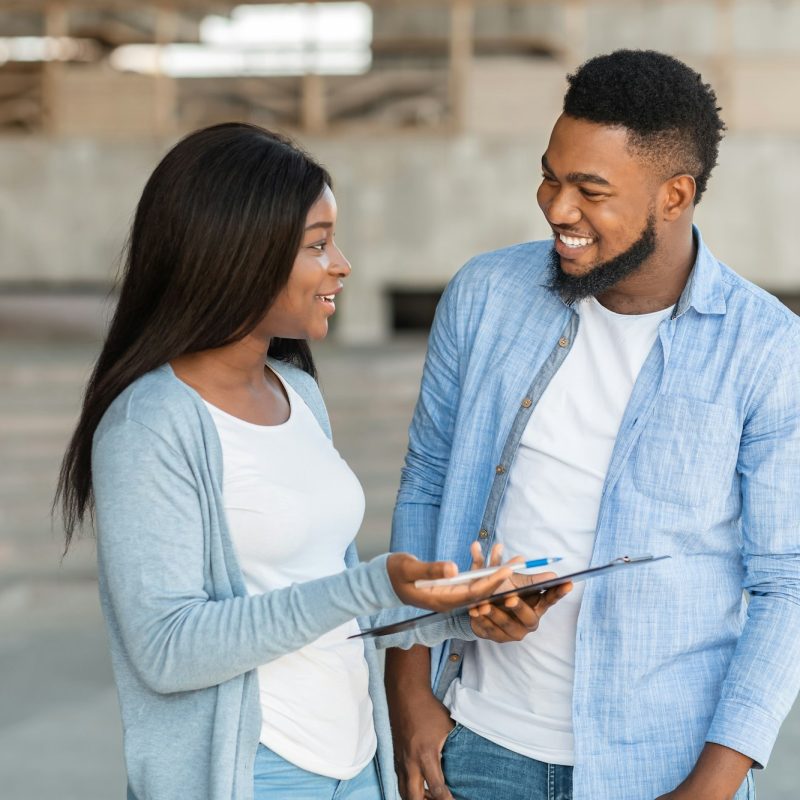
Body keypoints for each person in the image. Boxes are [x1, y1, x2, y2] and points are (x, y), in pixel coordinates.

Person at [54, 123, 570, 800]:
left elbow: (322, 594)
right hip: (254, 772)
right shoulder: (151, 422)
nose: (342, 265)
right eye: (317, 245)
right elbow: (168, 649)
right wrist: (373, 582)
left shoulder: (295, 391)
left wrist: (460, 612)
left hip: (356, 762)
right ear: (239, 253)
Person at [385, 49, 800, 800]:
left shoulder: (767, 350)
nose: (556, 207)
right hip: (478, 746)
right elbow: (428, 482)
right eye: (551, 174)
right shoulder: (484, 296)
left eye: (591, 190)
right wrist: (409, 693)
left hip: (665, 770)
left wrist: (709, 788)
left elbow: (788, 584)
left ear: (674, 195)